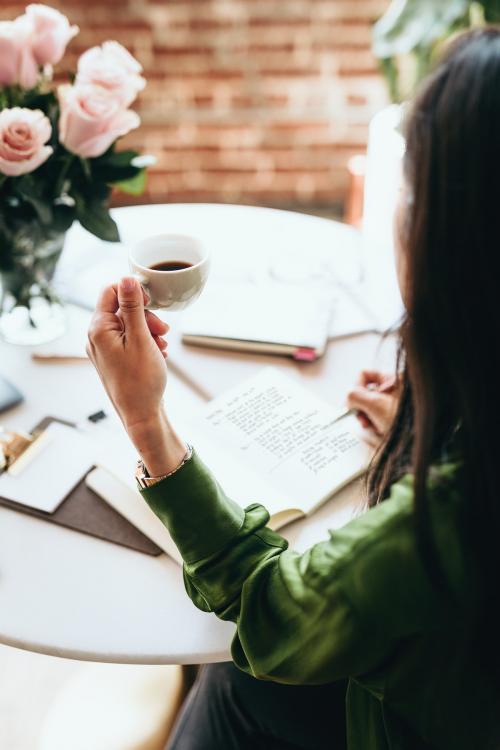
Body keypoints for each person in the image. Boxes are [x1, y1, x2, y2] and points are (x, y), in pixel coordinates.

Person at [86, 28, 500, 750]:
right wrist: (440, 420)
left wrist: (145, 419)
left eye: (410, 194)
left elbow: (268, 614)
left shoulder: (432, 533)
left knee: (235, 678)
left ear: (454, 248)